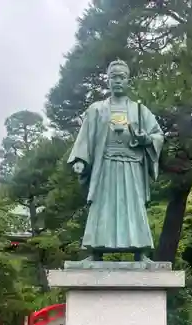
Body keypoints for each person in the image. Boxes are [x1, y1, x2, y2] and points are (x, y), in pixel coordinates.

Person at [68, 59, 164, 261]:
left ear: (128, 81)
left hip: (131, 166)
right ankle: (95, 251)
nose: (118, 81)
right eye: (114, 77)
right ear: (108, 81)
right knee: (102, 207)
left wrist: (145, 139)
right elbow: (85, 136)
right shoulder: (97, 110)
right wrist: (80, 159)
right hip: (106, 166)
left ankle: (141, 251)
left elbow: (157, 135)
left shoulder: (140, 110)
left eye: (122, 77)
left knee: (133, 207)